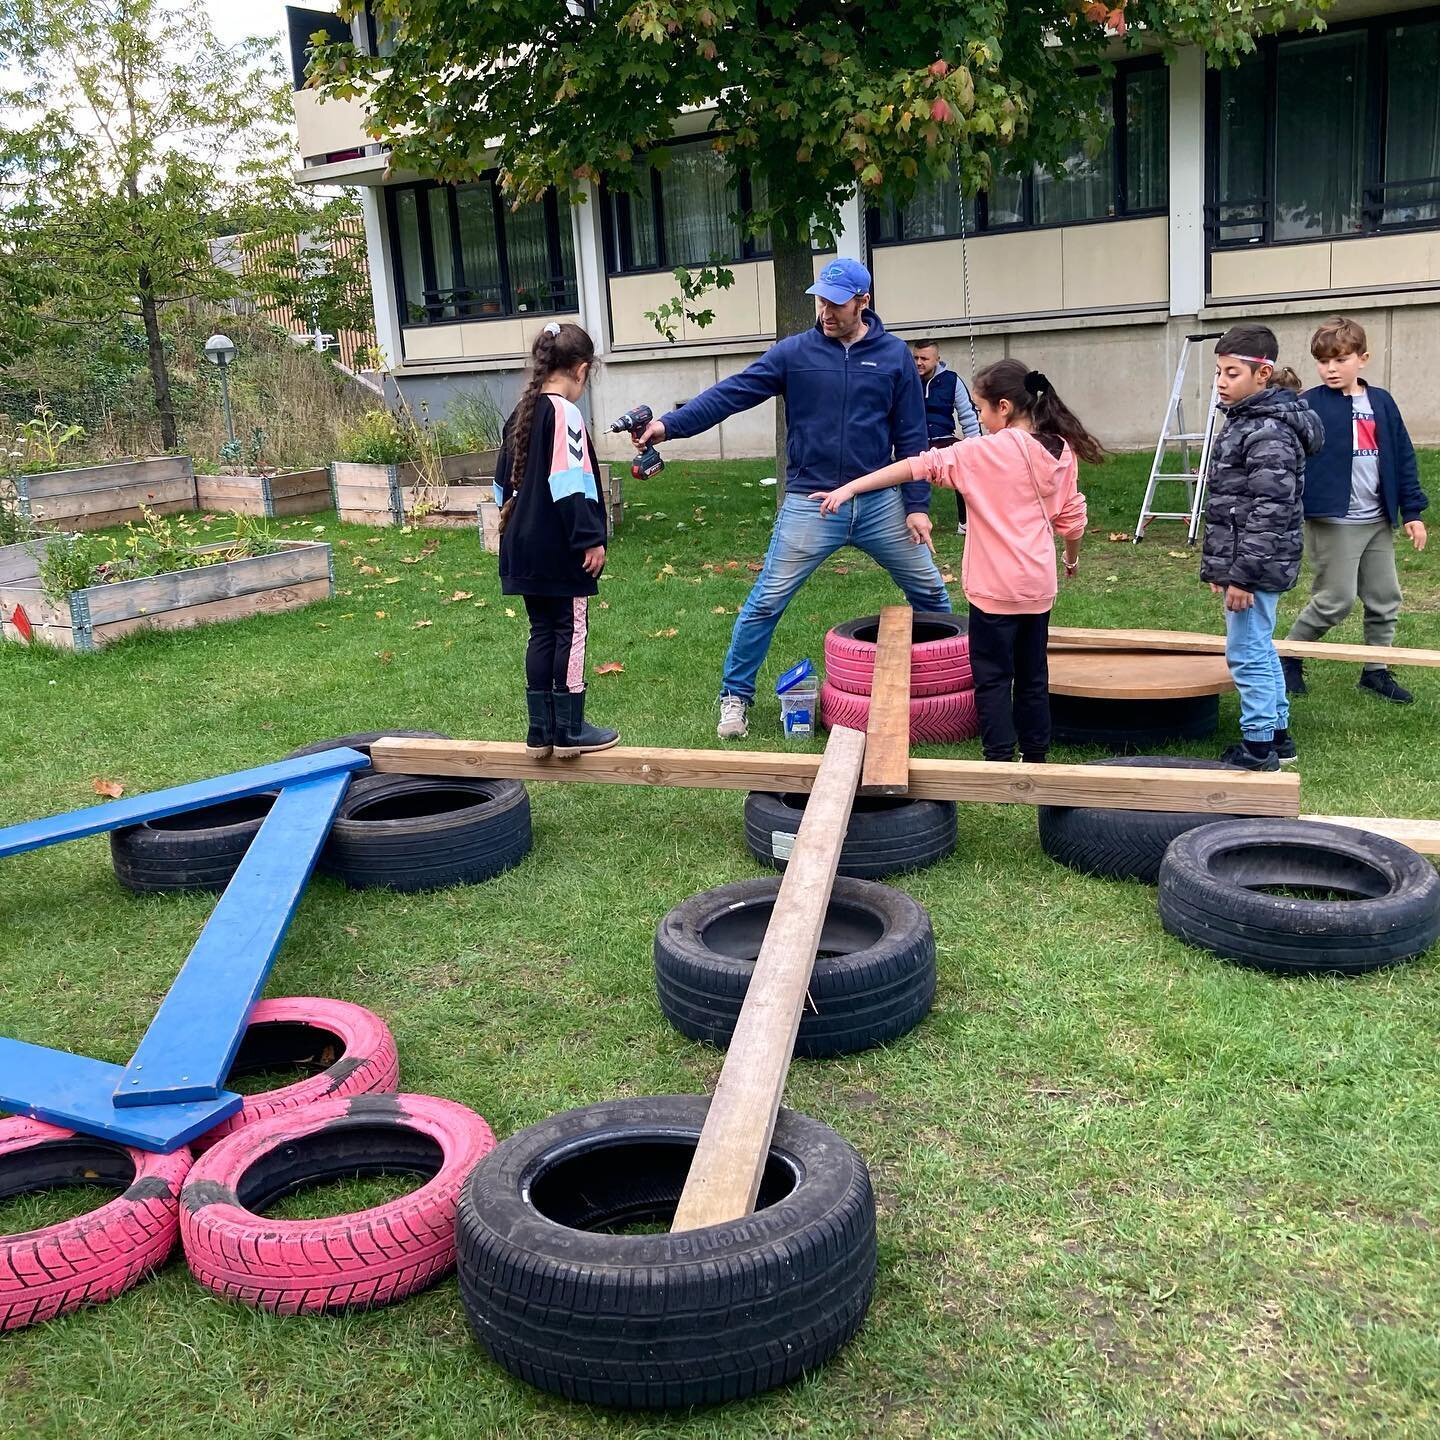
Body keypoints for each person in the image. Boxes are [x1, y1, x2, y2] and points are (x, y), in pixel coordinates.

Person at [631, 257, 951, 740]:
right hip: (810, 503)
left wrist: (919, 506)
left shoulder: (894, 358)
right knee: (765, 603)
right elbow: (731, 393)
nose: (825, 310)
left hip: (881, 502)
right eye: (821, 299)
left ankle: (953, 687)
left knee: (931, 592)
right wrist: (668, 426)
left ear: (863, 302)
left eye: (836, 303)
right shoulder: (794, 353)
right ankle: (735, 697)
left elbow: (912, 435)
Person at [814, 359, 1095, 764]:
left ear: (1003, 406)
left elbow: (916, 465)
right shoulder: (1061, 450)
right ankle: (1036, 757)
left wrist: (850, 488)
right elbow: (1072, 520)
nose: (976, 419)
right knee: (1033, 676)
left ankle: (998, 757)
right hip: (1037, 585)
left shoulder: (983, 452)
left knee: (993, 676)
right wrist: (1070, 561)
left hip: (993, 589)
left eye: (980, 409)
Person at [1282, 317, 1429, 704]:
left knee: (1385, 597)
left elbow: (1402, 455)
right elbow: (1287, 457)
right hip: (1334, 520)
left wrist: (1411, 512)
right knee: (1336, 599)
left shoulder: (1380, 401)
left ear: (1362, 359)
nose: (1331, 368)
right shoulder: (1308, 405)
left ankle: (1375, 670)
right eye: (1323, 361)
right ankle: (1288, 656)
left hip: (1376, 519)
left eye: (1340, 360)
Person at [493, 321, 618, 759]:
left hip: (522, 546)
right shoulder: (565, 413)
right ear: (582, 370)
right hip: (559, 546)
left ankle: (539, 732)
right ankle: (569, 730)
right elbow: (569, 483)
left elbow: (499, 488)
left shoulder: (520, 413)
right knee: (571, 628)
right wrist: (589, 537)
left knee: (541, 630)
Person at [1202, 324, 1324, 771]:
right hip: (1253, 563)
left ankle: (1257, 749)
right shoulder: (1250, 421)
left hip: (1255, 567)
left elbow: (1269, 510)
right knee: (1260, 645)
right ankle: (1278, 734)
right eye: (1218, 372)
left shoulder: (1268, 430)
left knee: (1246, 652)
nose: (1221, 382)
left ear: (1262, 373)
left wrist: (1241, 576)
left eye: (1231, 373)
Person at [912, 339, 981, 535]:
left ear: (937, 360)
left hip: (944, 438)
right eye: (915, 357)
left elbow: (967, 415)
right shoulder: (906, 379)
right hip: (914, 441)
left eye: (924, 358)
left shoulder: (952, 381)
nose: (918, 362)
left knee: (966, 467)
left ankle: (966, 522)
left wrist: (974, 447)